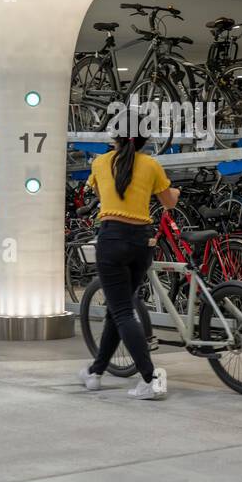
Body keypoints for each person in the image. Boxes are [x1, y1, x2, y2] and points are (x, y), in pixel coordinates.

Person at [78, 133, 180, 400]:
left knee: (122, 310)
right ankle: (96, 372)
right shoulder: (151, 165)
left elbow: (101, 194)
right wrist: (174, 192)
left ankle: (149, 379)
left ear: (116, 139)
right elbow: (169, 202)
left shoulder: (100, 162)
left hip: (112, 239)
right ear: (143, 140)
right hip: (141, 242)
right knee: (119, 309)